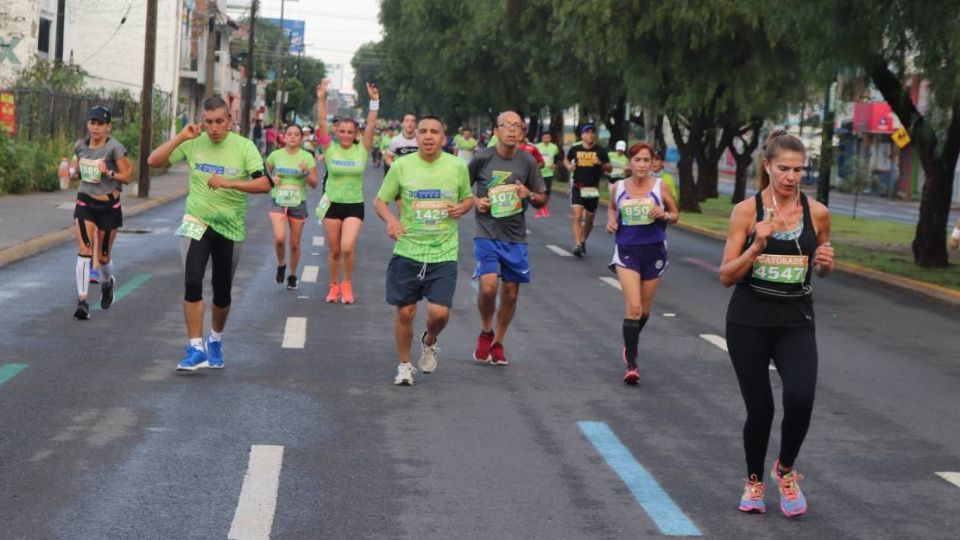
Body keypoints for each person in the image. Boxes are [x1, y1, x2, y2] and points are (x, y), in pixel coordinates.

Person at [718, 129, 835, 517]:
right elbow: (726, 275)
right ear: (767, 166)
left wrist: (825, 266)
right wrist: (755, 246)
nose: (791, 177)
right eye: (784, 168)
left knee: (801, 398)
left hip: (795, 319)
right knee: (762, 410)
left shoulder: (816, 213)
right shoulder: (746, 211)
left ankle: (784, 470)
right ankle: (754, 482)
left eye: (799, 170)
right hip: (749, 320)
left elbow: (820, 268)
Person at [147, 95, 272, 372]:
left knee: (222, 291)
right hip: (196, 221)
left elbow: (265, 184)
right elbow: (153, 161)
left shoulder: (244, 147)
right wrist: (180, 137)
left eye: (219, 121)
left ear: (229, 120)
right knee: (192, 280)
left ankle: (215, 338)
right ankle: (195, 347)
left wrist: (229, 182)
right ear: (202, 122)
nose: (214, 128)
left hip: (230, 226)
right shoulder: (194, 142)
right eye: (209, 122)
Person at [373, 115, 473, 386]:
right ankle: (405, 366)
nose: (428, 136)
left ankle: (429, 341)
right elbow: (380, 201)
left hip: (443, 251)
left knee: (439, 313)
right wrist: (392, 220)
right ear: (415, 137)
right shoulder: (402, 166)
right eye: (423, 131)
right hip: (408, 249)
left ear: (443, 137)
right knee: (405, 312)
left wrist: (463, 207)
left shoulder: (457, 167)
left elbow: (468, 198)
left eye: (435, 132)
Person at [470, 111, 546, 365]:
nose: (512, 130)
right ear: (497, 130)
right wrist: (476, 201)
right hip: (487, 233)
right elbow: (460, 188)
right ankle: (485, 329)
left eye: (517, 126)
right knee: (489, 287)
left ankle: (498, 342)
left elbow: (542, 198)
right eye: (507, 126)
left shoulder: (528, 163)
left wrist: (528, 194)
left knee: (511, 293)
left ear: (522, 132)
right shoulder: (482, 158)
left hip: (515, 236)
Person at [605, 143, 678, 383]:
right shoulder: (617, 187)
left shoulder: (660, 186)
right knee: (634, 308)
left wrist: (664, 214)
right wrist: (612, 222)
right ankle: (632, 363)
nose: (642, 165)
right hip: (627, 251)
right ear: (630, 163)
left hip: (654, 251)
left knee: (644, 311)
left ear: (652, 164)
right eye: (638, 160)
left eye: (647, 160)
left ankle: (630, 342)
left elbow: (675, 214)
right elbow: (612, 209)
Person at [315, 79, 380, 304]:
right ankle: (333, 286)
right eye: (341, 131)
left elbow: (371, 126)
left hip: (354, 205)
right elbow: (321, 121)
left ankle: (347, 283)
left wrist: (374, 102)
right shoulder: (329, 148)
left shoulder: (362, 150)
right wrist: (321, 99)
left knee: (347, 247)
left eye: (349, 132)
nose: (345, 135)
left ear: (355, 134)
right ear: (336, 131)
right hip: (332, 204)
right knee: (334, 251)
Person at [69, 105, 133, 319]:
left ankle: (107, 283)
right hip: (85, 202)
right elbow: (75, 171)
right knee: (84, 250)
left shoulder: (115, 148)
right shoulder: (80, 146)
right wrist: (69, 171)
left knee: (103, 258)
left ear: (108, 127)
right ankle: (82, 301)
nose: (95, 128)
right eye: (92, 123)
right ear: (88, 124)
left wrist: (110, 171)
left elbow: (127, 175)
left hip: (108, 207)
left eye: (100, 124)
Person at [266, 124, 318, 289]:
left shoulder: (307, 157)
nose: (293, 137)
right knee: (280, 238)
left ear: (301, 138)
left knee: (294, 243)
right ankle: (281, 264)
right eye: (289, 134)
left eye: (296, 134)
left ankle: (293, 275)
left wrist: (305, 172)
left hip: (298, 202)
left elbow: (314, 183)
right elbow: (263, 173)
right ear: (284, 136)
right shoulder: (275, 155)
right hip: (278, 200)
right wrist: (272, 178)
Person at [564, 123, 611, 257]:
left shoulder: (600, 151)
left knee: (589, 219)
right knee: (577, 216)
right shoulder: (575, 149)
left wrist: (600, 163)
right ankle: (578, 244)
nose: (590, 134)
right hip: (578, 187)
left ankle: (583, 241)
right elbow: (566, 160)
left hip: (592, 189)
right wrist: (569, 167)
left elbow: (609, 168)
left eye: (592, 132)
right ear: (582, 135)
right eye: (587, 132)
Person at [534, 131, 561, 218]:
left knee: (547, 192)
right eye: (544, 138)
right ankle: (539, 209)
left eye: (548, 138)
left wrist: (555, 164)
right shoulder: (537, 146)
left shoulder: (554, 147)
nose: (546, 139)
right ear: (542, 138)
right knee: (539, 191)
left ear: (550, 138)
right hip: (539, 172)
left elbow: (557, 156)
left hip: (549, 172)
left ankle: (544, 207)